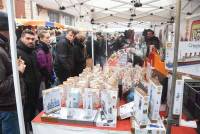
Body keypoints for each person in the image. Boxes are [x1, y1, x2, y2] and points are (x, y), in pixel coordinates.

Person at [0, 11, 26, 134]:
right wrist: (18, 72)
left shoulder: (4, 46)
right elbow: (1, 87)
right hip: (7, 108)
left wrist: (14, 65)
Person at [17, 29, 41, 133]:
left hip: (34, 90)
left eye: (32, 39)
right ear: (22, 38)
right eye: (28, 38)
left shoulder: (33, 51)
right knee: (24, 118)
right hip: (25, 93)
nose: (31, 41)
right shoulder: (17, 52)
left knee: (31, 114)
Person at [36, 30, 54, 111]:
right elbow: (42, 67)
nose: (49, 39)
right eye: (47, 37)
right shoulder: (41, 50)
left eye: (49, 37)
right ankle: (43, 111)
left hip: (47, 76)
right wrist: (49, 76)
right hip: (43, 79)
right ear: (41, 39)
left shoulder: (46, 48)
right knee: (43, 97)